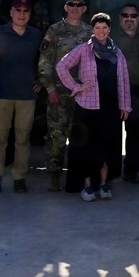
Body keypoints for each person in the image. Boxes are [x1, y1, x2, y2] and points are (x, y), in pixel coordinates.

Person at [56, 13, 132, 201]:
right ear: (92, 29)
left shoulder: (117, 52)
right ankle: (88, 186)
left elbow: (123, 80)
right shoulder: (83, 50)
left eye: (104, 27)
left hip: (110, 107)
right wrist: (76, 87)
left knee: (107, 147)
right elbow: (61, 67)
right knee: (87, 148)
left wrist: (125, 105)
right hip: (87, 107)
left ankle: (104, 185)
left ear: (109, 29)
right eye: (97, 28)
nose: (101, 31)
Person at [0, 0, 42, 194]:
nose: (22, 14)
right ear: (11, 12)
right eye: (18, 10)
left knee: (23, 138)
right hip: (2, 94)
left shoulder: (36, 35)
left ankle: (19, 176)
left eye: (26, 10)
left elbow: (45, 62)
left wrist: (41, 80)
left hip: (27, 95)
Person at [38, 0, 92, 192]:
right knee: (56, 135)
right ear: (65, 7)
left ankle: (76, 178)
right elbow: (45, 62)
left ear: (84, 9)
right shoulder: (54, 31)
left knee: (80, 136)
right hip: (59, 93)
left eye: (79, 4)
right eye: (72, 4)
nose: (75, 8)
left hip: (82, 94)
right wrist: (50, 88)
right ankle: (54, 174)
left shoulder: (89, 33)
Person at [113, 3, 139, 184]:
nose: (129, 19)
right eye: (125, 15)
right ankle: (112, 172)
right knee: (113, 135)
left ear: (138, 18)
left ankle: (131, 171)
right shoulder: (109, 38)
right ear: (119, 18)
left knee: (136, 135)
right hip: (115, 92)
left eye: (133, 16)